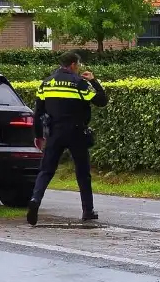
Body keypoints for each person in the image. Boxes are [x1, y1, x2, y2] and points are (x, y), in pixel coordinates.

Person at [26, 51, 109, 226]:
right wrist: (93, 80)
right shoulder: (79, 83)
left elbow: (38, 112)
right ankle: (88, 211)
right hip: (76, 132)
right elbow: (102, 101)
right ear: (73, 64)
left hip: (54, 132)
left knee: (46, 170)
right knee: (82, 172)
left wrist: (38, 135)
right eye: (77, 65)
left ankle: (35, 199)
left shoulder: (46, 83)